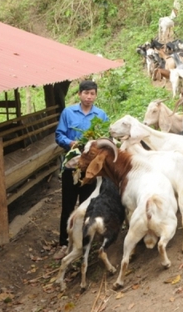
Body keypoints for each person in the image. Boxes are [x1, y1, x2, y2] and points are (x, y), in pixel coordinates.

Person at [53, 80, 108, 259]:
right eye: (86, 93)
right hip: (72, 165)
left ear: (96, 95)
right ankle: (63, 244)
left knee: (88, 205)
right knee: (68, 205)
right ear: (79, 94)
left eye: (92, 94)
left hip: (91, 168)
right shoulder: (68, 113)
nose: (89, 97)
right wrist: (70, 142)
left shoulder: (101, 115)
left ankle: (85, 242)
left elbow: (107, 137)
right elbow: (59, 134)